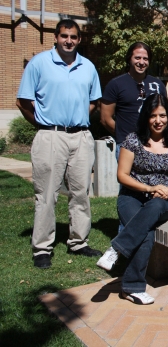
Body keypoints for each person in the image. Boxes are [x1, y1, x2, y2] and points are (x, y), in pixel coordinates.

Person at [16, 19, 102, 269]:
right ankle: (42, 248)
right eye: (64, 36)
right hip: (50, 135)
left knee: (81, 192)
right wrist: (42, 123)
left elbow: (94, 101)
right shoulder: (39, 63)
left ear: (79, 39)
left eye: (73, 37)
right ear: (55, 37)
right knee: (46, 194)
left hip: (81, 136)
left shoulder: (88, 66)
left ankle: (79, 242)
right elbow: (23, 101)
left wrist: (79, 118)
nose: (68, 41)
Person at [96, 94, 168, 304]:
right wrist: (148, 187)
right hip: (132, 196)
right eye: (153, 115)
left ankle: (117, 248)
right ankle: (132, 288)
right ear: (146, 117)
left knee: (154, 208)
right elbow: (122, 175)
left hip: (162, 200)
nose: (158, 120)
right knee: (145, 232)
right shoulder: (133, 140)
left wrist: (167, 190)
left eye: (162, 115)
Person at [100, 42, 167, 159]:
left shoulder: (158, 84)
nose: (141, 62)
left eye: (145, 59)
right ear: (129, 59)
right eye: (137, 58)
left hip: (155, 144)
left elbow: (165, 113)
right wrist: (124, 135)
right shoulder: (116, 84)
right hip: (127, 146)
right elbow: (105, 119)